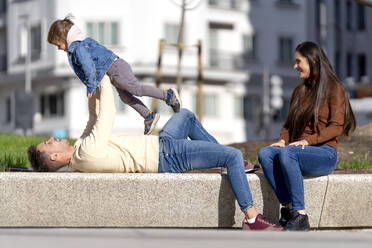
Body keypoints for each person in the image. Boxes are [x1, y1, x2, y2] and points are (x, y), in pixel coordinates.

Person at [27, 75, 282, 231]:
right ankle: (251, 218)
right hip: (167, 156)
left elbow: (94, 115)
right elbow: (107, 115)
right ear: (54, 158)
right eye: (47, 144)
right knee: (233, 156)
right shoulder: (86, 153)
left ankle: (219, 161)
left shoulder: (82, 148)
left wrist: (91, 87)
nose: (51, 139)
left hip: (161, 145)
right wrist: (104, 75)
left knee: (185, 116)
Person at [258, 41, 356, 231]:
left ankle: (300, 214)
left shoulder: (334, 89)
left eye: (298, 62)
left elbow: (336, 127)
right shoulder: (299, 91)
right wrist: (282, 140)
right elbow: (288, 124)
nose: (295, 67)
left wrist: (307, 140)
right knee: (265, 153)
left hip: (324, 153)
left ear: (312, 61)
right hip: (299, 151)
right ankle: (288, 210)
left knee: (288, 153)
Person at [47, 16, 181, 135]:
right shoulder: (80, 44)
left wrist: (91, 87)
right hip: (113, 72)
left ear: (64, 38)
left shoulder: (78, 48)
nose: (59, 48)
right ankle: (148, 116)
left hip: (116, 68)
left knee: (136, 89)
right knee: (125, 97)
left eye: (58, 44)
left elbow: (89, 67)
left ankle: (168, 95)